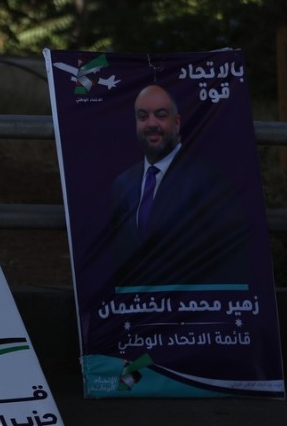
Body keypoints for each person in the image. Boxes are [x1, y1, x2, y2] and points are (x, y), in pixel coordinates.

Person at [102, 84, 248, 294]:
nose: (151, 123)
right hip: (134, 308)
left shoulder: (208, 179)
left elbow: (232, 257)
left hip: (191, 307)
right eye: (143, 117)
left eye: (161, 115)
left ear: (177, 122)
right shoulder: (122, 185)